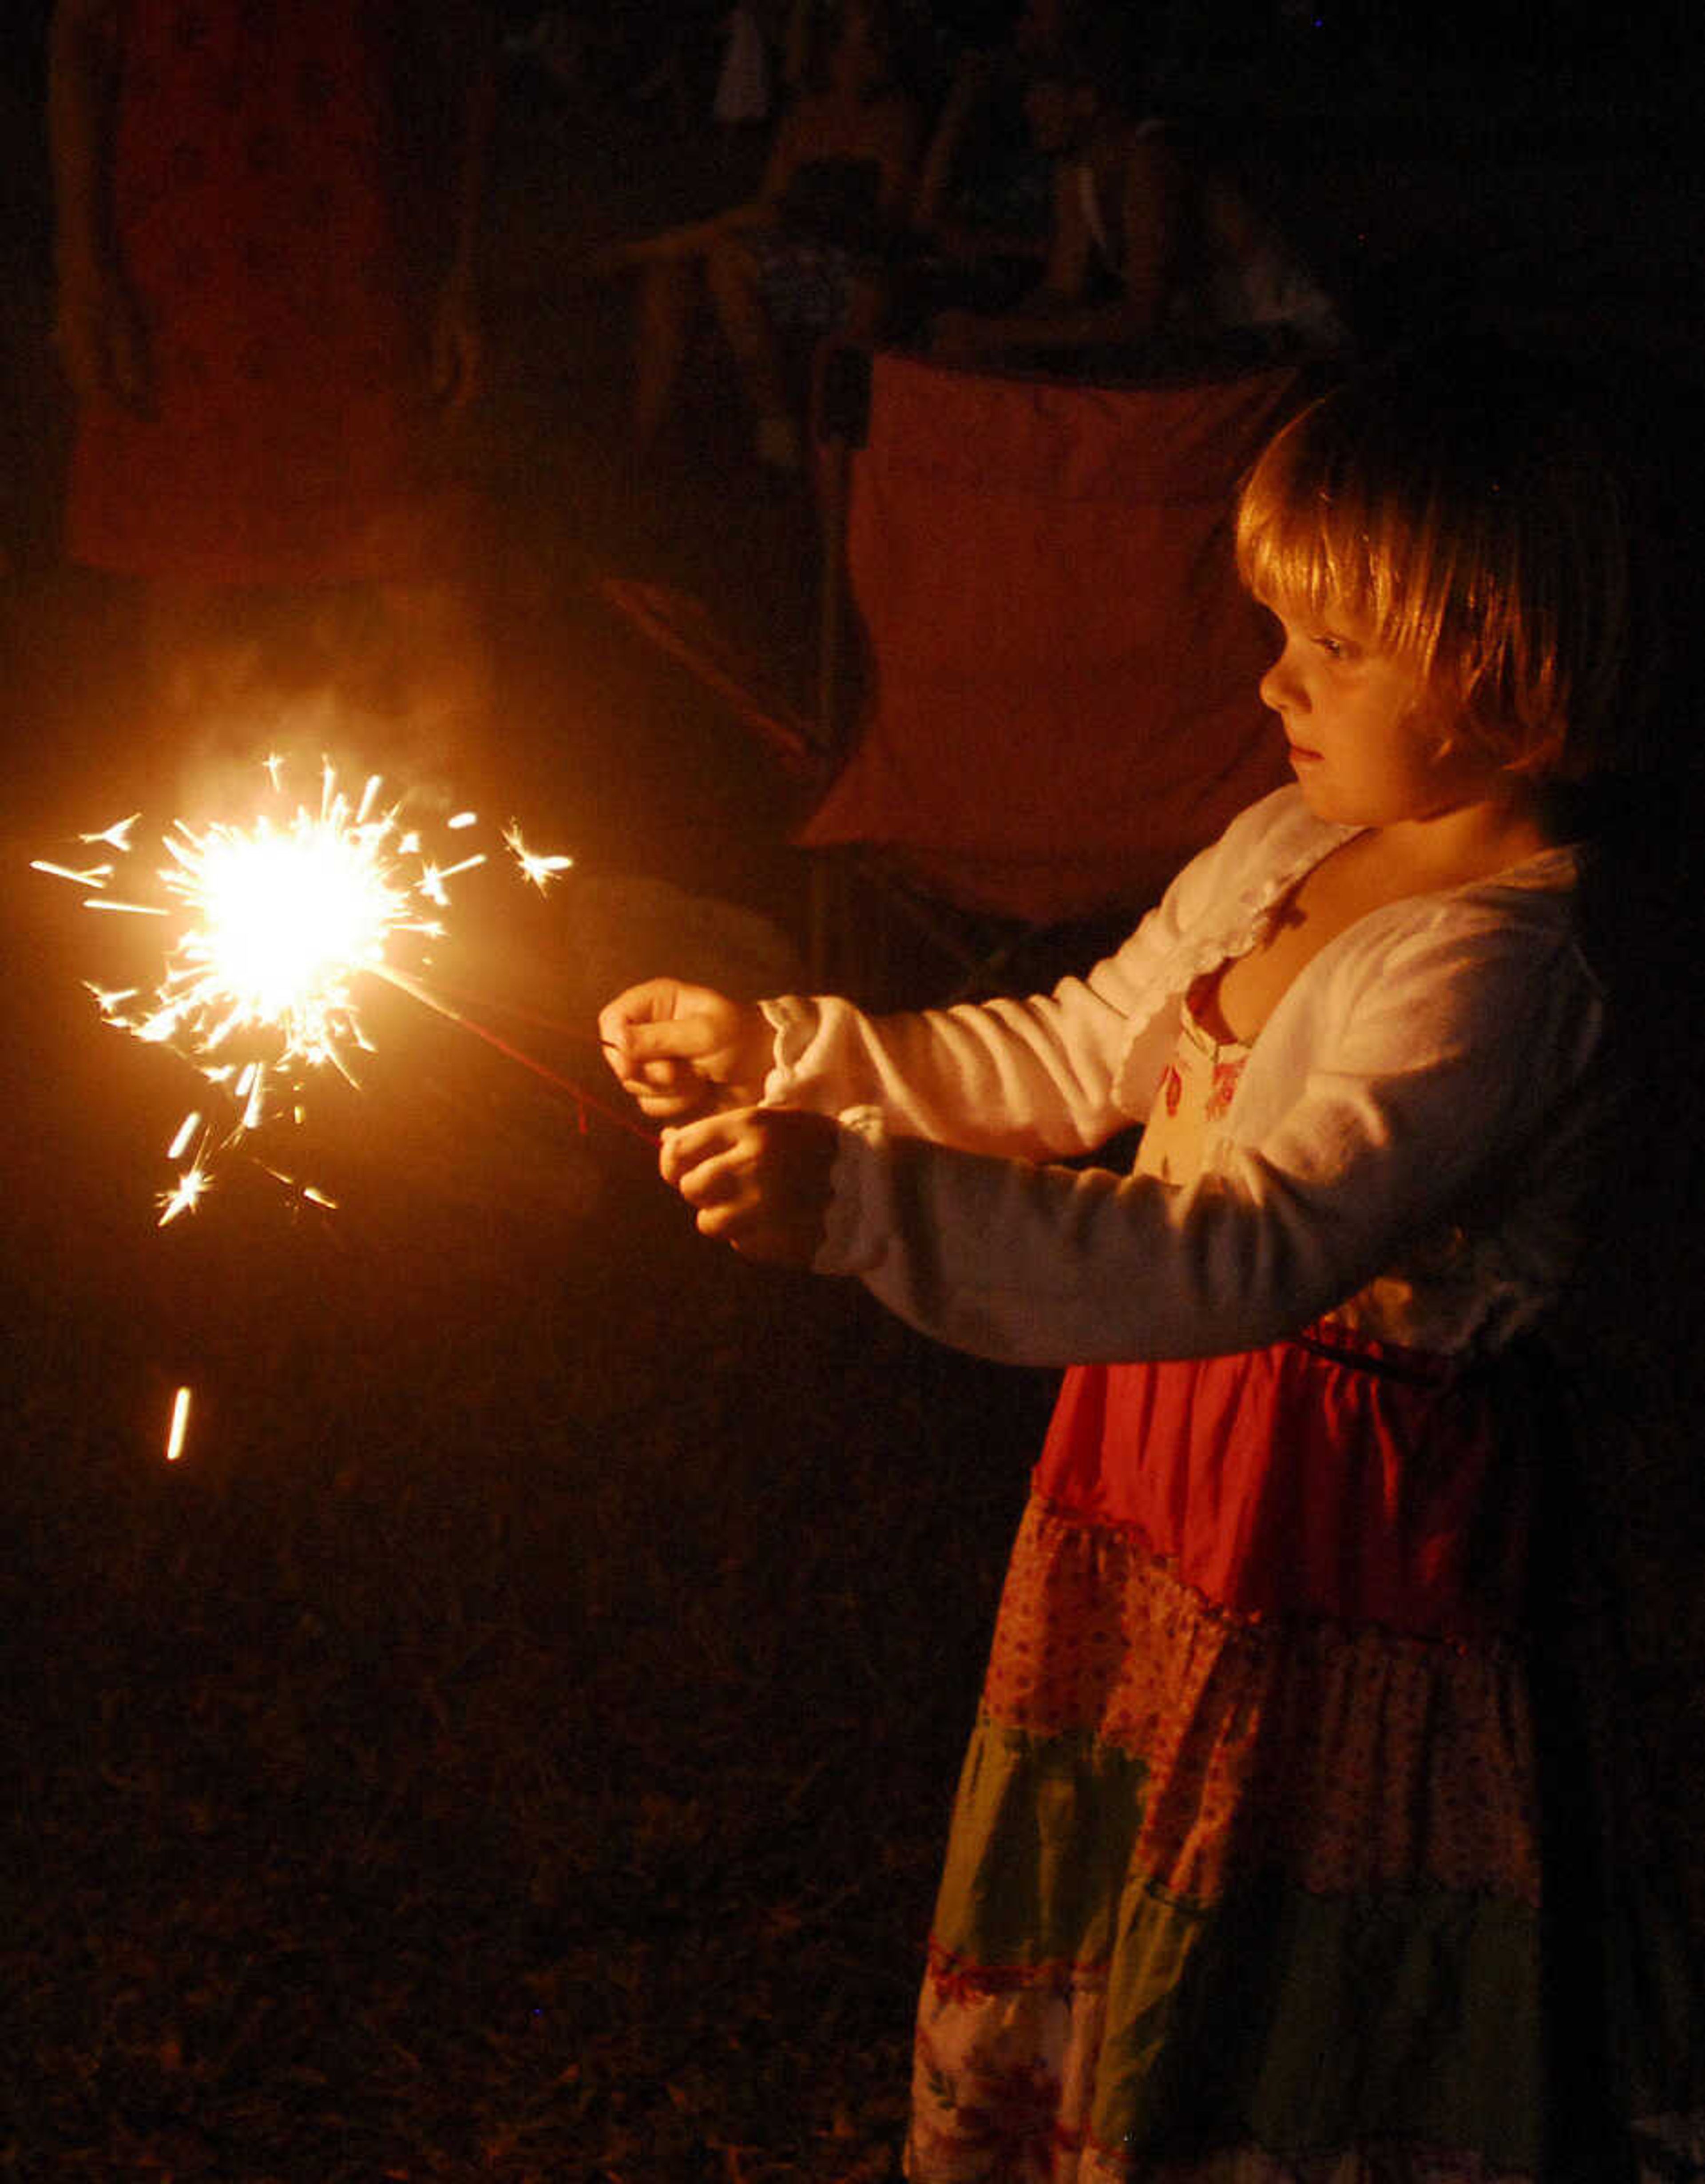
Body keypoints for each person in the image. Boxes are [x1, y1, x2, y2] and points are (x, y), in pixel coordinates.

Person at [599, 360, 1705, 2179]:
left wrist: (863, 1210)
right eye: (1280, 628)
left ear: (1503, 663)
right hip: (1164, 1468)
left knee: (1290, 1908)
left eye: (1331, 646)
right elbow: (1070, 1055)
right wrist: (792, 1050)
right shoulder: (1293, 844)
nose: (1275, 678)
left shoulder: (1488, 979)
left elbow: (1239, 1250)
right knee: (1136, 1830)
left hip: (1341, 1535)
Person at [49, 0, 496, 762]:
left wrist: (462, 270)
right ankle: (189, 824)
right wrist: (83, 265)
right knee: (185, 544)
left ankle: (470, 831)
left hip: (363, 234)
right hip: (188, 236)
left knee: (418, 551)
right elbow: (82, 32)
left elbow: (467, 49)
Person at [599, 0, 920, 472]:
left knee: (730, 263)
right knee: (671, 280)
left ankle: (778, 431)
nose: (863, 60)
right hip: (785, 260)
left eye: (872, 46)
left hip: (847, 268)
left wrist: (813, 217)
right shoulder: (803, 119)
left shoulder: (896, 120)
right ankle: (641, 452)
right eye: (852, 47)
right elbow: (765, 207)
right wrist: (656, 247)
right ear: (830, 54)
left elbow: (888, 214)